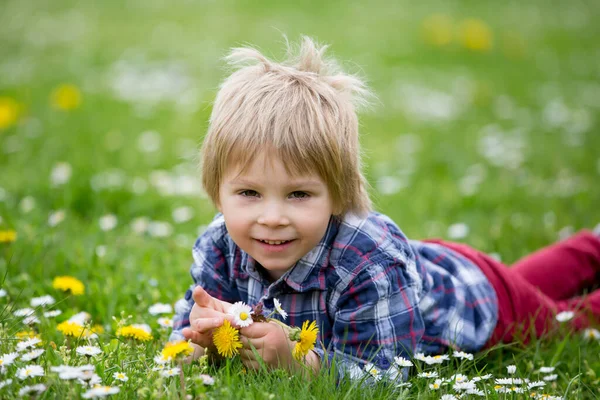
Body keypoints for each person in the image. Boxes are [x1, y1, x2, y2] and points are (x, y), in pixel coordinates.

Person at [170, 36, 600, 379]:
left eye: (298, 194)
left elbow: (385, 374)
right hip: (429, 272)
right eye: (249, 194)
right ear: (217, 191)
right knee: (532, 277)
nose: (272, 216)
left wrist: (303, 365)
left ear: (339, 194)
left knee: (567, 323)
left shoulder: (365, 261)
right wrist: (195, 341)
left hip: (480, 302)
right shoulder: (219, 244)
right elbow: (192, 320)